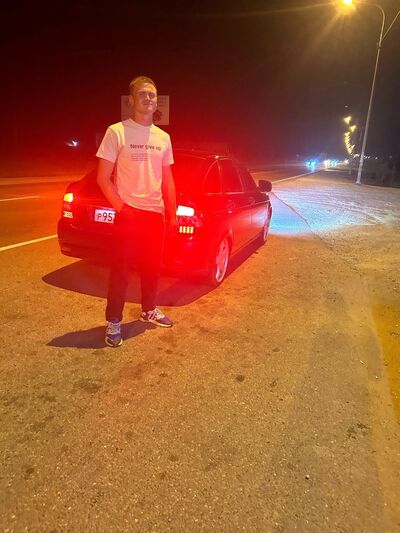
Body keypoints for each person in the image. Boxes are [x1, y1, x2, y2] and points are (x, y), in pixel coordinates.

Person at [96, 75, 177, 347]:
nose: (148, 98)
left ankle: (148, 309)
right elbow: (102, 178)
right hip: (129, 214)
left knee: (153, 269)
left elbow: (167, 179)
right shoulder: (116, 132)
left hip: (155, 215)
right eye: (142, 94)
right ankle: (113, 321)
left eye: (152, 94)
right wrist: (123, 209)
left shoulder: (163, 137)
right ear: (131, 100)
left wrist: (172, 213)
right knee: (120, 272)